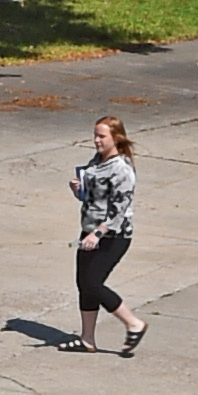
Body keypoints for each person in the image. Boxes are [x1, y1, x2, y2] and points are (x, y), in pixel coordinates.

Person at [64, 115, 145, 354]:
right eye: (95, 135)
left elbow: (119, 209)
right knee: (83, 284)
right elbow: (95, 197)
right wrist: (79, 191)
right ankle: (87, 339)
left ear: (116, 138)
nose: (96, 140)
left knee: (93, 283)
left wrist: (98, 234)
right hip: (89, 231)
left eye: (102, 136)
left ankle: (133, 323)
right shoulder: (97, 161)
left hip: (113, 236)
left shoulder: (122, 169)